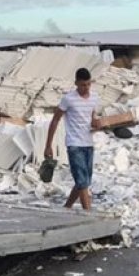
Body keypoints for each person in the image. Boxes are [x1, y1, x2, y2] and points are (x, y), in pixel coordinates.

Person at [45, 67, 100, 210]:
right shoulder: (69, 99)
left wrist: (97, 123)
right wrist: (48, 145)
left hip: (88, 143)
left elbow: (92, 117)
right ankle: (88, 214)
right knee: (82, 182)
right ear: (76, 83)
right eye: (82, 85)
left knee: (84, 181)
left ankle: (67, 207)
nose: (86, 87)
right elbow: (55, 120)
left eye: (88, 84)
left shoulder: (94, 97)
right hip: (74, 144)